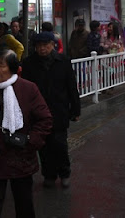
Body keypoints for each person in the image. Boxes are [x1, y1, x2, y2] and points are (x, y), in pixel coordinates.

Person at [0, 48, 52, 218]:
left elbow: (45, 119)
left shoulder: (28, 88)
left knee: (24, 203)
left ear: (13, 68)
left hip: (20, 156)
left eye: (1, 66)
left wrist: (30, 140)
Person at [21, 31, 81, 188]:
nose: (42, 49)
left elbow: (71, 87)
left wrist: (75, 110)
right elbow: (25, 90)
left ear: (53, 45)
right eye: (39, 46)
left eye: (46, 45)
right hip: (38, 112)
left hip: (59, 110)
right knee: (43, 146)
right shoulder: (28, 63)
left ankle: (64, 172)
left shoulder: (63, 61)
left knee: (60, 144)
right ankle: (49, 174)